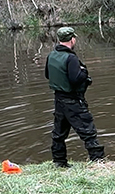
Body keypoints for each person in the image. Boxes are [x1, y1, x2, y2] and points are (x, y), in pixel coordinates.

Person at [45, 26, 105, 167]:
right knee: (88, 131)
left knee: (59, 133)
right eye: (74, 38)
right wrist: (84, 72)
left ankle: (59, 162)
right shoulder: (71, 58)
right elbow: (75, 79)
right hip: (73, 101)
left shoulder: (51, 56)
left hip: (58, 101)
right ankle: (98, 161)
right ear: (72, 39)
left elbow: (47, 75)